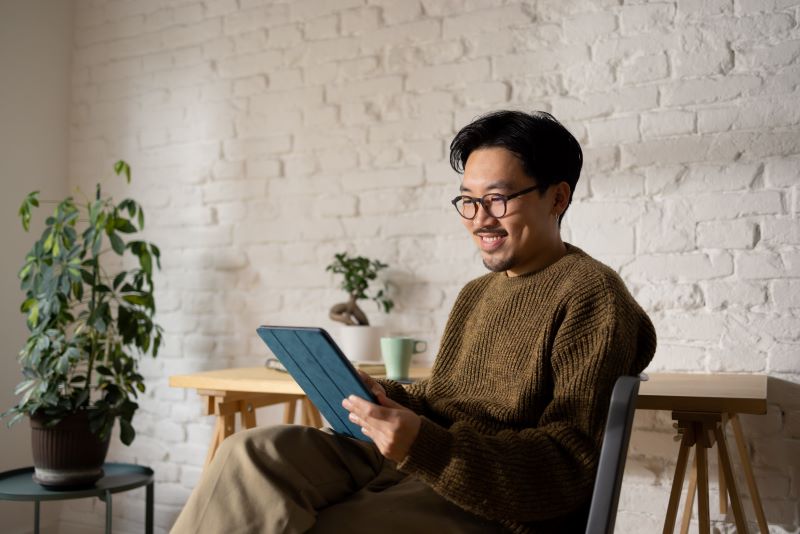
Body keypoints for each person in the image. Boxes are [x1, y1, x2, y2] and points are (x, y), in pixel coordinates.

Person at [171, 110, 657, 534]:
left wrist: (423, 445)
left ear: (557, 198)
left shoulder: (591, 295)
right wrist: (385, 398)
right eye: (467, 200)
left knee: (328, 524)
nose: (478, 218)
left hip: (497, 507)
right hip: (420, 462)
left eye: (497, 198)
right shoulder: (478, 293)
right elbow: (445, 401)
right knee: (249, 454)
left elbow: (566, 467)